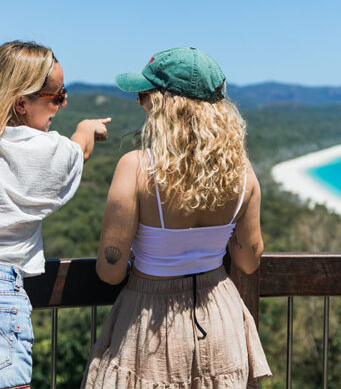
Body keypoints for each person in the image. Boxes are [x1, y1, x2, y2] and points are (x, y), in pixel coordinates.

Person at [82, 47, 272, 388]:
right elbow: (248, 261)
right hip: (220, 317)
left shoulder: (136, 167)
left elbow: (110, 272)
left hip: (150, 319)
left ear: (165, 105)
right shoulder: (242, 172)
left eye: (144, 95)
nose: (139, 102)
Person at [0, 40, 111, 389]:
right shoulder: (37, 149)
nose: (63, 104)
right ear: (22, 103)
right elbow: (78, 152)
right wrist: (87, 128)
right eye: (57, 96)